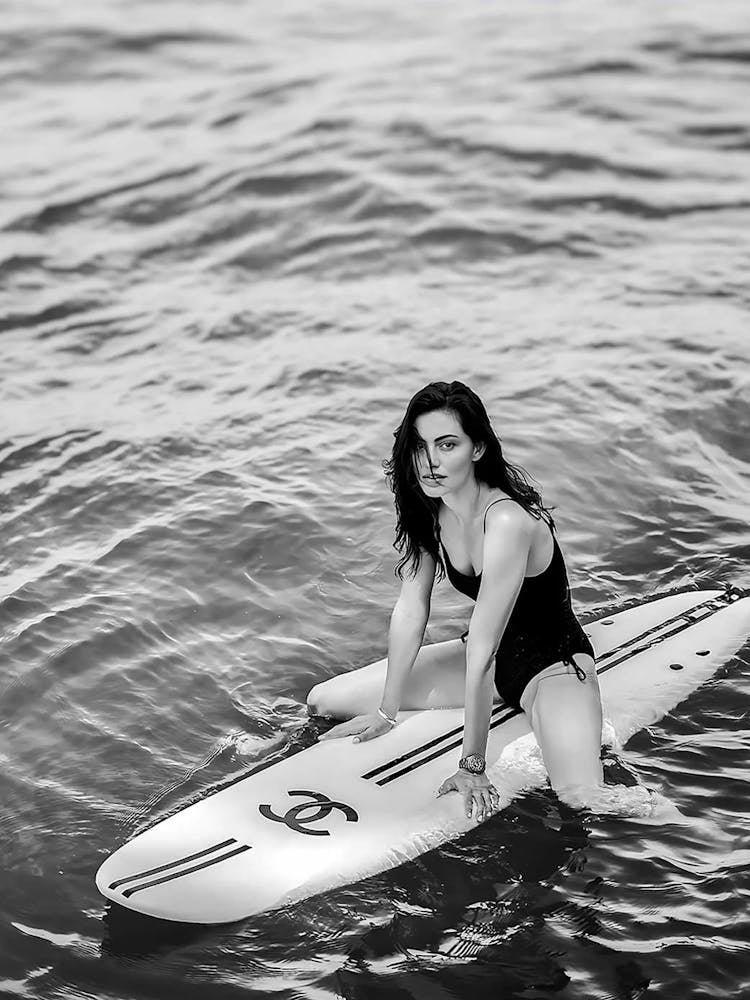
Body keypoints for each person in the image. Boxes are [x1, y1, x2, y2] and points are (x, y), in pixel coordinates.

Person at [307, 380, 604, 820]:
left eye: (447, 445)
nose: (431, 461)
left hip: (551, 667)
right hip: (485, 661)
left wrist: (472, 766)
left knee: (581, 797)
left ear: (477, 448)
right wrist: (386, 711)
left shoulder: (506, 521)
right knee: (324, 700)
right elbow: (412, 609)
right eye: (420, 445)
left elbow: (484, 650)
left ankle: (688, 827)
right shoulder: (431, 509)